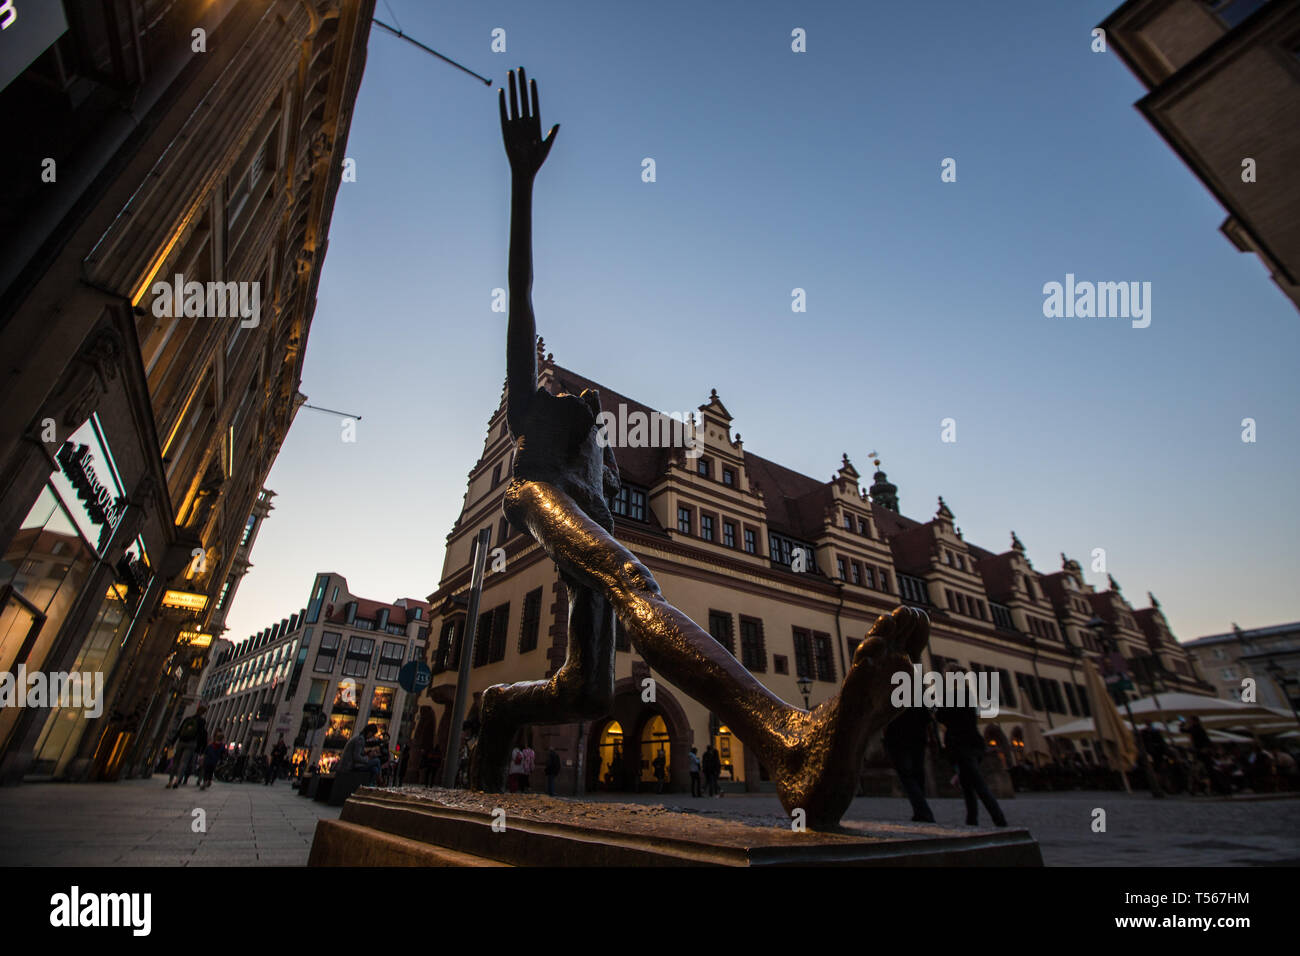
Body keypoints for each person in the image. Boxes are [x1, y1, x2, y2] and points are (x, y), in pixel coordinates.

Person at [468, 68, 930, 831]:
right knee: (630, 573)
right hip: (538, 503)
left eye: (590, 406)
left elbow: (621, 499)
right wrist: (521, 189)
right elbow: (521, 296)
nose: (583, 399)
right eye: (570, 400)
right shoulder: (533, 419)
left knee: (582, 691)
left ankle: (491, 713)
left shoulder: (604, 463)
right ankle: (785, 737)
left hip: (589, 524)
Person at [936, 698, 1007, 828]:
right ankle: (972, 820)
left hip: (962, 749)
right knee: (968, 787)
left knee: (979, 786)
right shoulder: (968, 707)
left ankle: (999, 819)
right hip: (974, 747)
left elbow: (940, 717)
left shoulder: (953, 715)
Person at [884, 706, 935, 823]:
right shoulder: (919, 692)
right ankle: (920, 811)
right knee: (917, 774)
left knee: (906, 776)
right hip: (917, 736)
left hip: (898, 737)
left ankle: (923, 811)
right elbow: (927, 717)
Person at [167, 702, 208, 789]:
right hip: (191, 743)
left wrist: (172, 742)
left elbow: (180, 730)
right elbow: (202, 735)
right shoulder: (202, 721)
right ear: (203, 713)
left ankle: (170, 781)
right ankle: (177, 780)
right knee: (184, 762)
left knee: (176, 761)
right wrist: (201, 749)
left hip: (181, 741)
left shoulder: (188, 719)